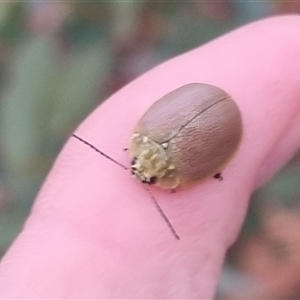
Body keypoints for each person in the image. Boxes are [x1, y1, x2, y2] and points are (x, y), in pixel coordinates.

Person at [0, 15, 300, 298]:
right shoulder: (149, 139)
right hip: (209, 108)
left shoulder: (171, 164)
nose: (139, 172)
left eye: (139, 167)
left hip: (212, 111)